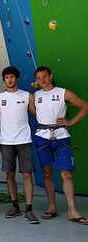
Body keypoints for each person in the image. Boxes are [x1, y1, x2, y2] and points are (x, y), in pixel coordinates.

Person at [34, 66, 88, 225]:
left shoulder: (63, 92)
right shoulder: (35, 96)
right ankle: (52, 207)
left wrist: (70, 121)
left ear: (51, 76)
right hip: (42, 138)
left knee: (67, 174)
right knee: (47, 173)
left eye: (45, 76)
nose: (42, 80)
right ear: (36, 81)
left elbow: (85, 105)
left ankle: (73, 211)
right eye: (39, 78)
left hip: (61, 137)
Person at [0, 66, 39, 224]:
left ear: (17, 78)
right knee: (10, 174)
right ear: (4, 79)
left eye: (12, 76)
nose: (9, 79)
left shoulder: (27, 96)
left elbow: (37, 114)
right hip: (6, 142)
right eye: (6, 77)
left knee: (27, 174)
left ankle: (29, 209)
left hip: (24, 141)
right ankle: (15, 206)